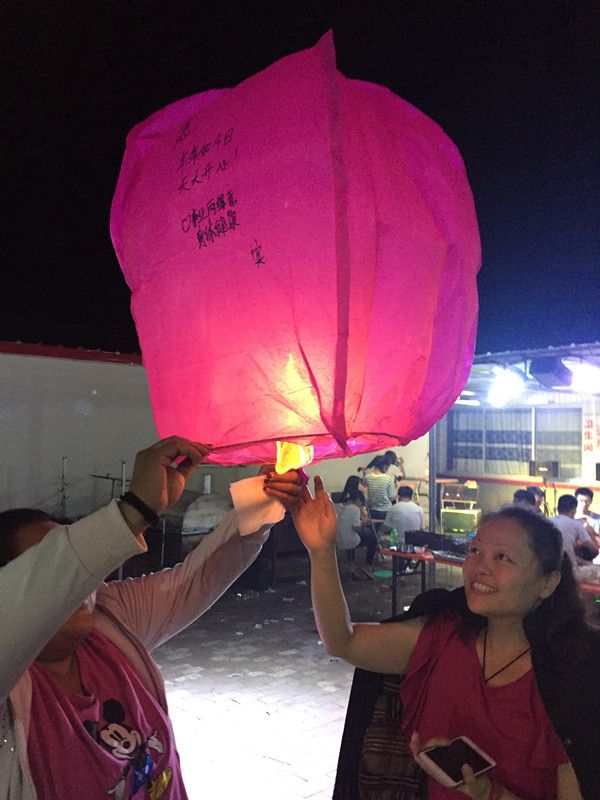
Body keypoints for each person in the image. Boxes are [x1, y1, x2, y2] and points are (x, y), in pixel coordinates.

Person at [1, 436, 302, 800]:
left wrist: (263, 499)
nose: (78, 582)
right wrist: (135, 509)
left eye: (80, 568)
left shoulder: (109, 620)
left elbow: (195, 580)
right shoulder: (11, 696)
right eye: (57, 570)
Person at [291, 477, 599, 799]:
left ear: (547, 583)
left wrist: (489, 793)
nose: (479, 567)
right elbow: (343, 641)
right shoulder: (443, 638)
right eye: (475, 550)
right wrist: (321, 550)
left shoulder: (573, 679)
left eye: (502, 558)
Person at [334, 476, 379, 572]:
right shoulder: (357, 501)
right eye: (361, 484)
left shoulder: (340, 499)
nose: (363, 485)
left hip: (338, 536)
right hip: (354, 531)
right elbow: (359, 523)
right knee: (372, 537)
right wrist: (363, 522)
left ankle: (350, 562)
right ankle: (368, 564)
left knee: (350, 531)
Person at [549, 494, 599, 568]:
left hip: (548, 565)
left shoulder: (547, 522)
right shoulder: (577, 524)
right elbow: (594, 550)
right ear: (573, 510)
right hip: (568, 568)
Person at [362, 455, 396, 520]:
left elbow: (362, 487)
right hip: (385, 513)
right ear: (384, 466)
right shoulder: (388, 479)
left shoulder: (367, 477)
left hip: (371, 512)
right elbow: (391, 497)